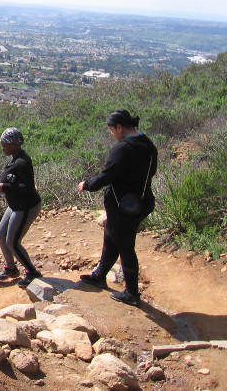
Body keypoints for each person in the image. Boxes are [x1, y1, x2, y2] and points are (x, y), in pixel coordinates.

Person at [78, 109, 157, 306]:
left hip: (123, 205)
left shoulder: (123, 148)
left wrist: (87, 184)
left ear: (119, 127)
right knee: (112, 235)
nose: (111, 134)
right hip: (142, 200)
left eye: (111, 130)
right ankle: (99, 275)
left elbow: (107, 175)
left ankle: (132, 293)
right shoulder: (147, 144)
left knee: (125, 245)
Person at [0, 127, 43, 288]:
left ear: (14, 145)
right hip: (15, 205)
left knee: (13, 242)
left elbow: (27, 187)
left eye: (4, 145)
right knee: (1, 234)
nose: (2, 148)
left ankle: (32, 272)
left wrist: (5, 187)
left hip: (25, 206)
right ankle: (11, 268)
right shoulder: (15, 158)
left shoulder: (22, 161)